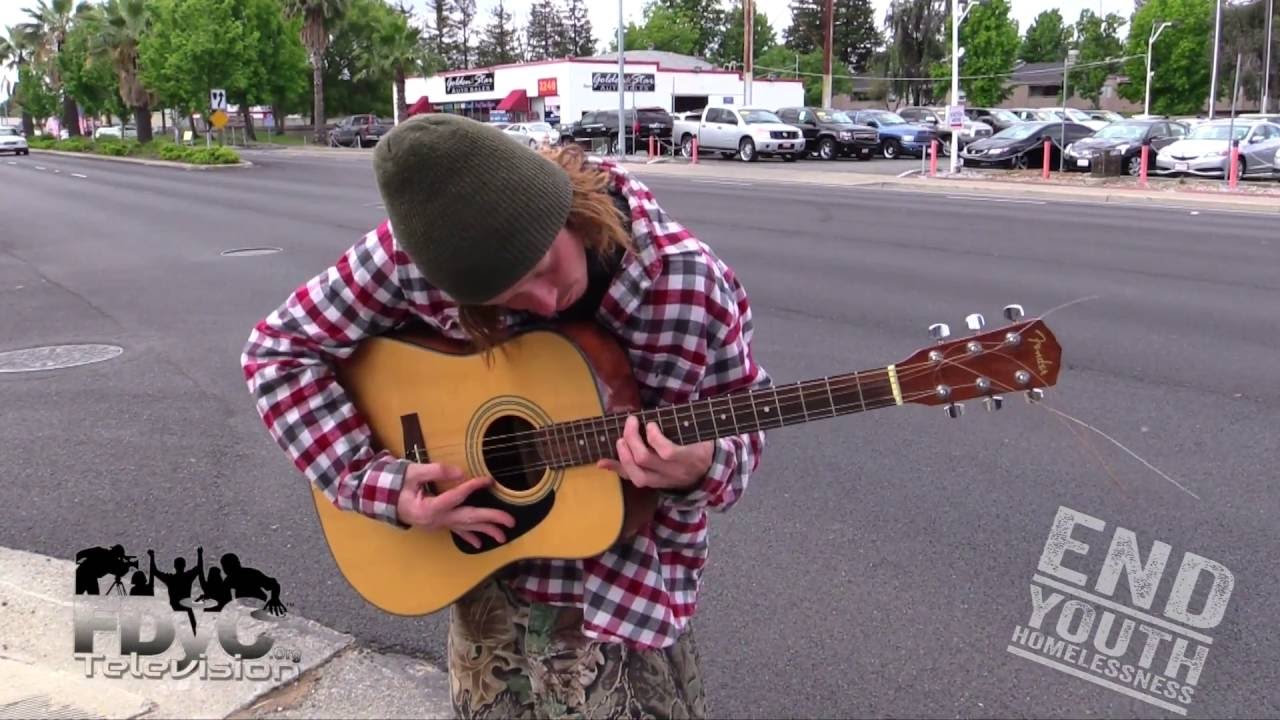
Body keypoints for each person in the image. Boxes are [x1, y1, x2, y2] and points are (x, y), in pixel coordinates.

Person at [241, 113, 770, 719]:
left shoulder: (688, 282)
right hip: (489, 593)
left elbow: (744, 431)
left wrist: (701, 466)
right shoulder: (417, 255)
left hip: (628, 607)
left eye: (545, 268)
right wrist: (377, 482)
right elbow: (276, 352)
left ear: (569, 212)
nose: (544, 302)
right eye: (508, 299)